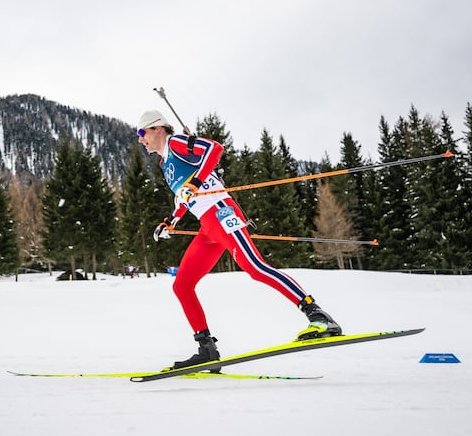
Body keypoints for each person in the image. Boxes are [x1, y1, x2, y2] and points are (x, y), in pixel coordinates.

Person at [136, 109, 342, 371]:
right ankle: (206, 349)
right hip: (207, 227)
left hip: (221, 213)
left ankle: (319, 316)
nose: (141, 139)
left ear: (157, 128)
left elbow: (214, 148)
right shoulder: (165, 164)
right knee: (182, 285)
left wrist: (196, 182)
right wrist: (172, 220)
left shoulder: (176, 143)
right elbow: (184, 196)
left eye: (142, 133)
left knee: (255, 268)